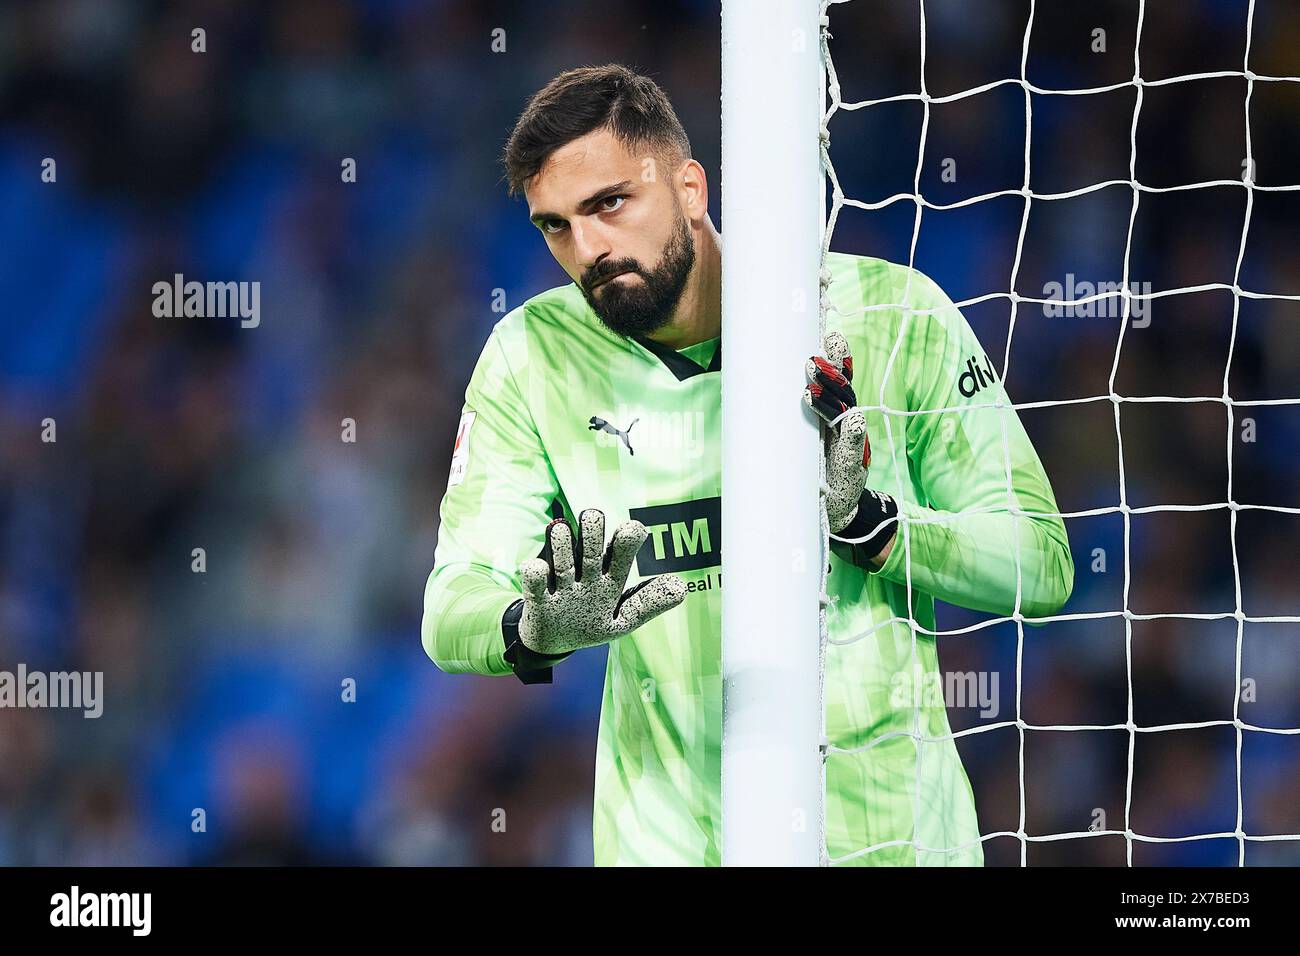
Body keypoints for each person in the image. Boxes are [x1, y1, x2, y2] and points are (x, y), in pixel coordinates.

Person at [421, 63, 1074, 866]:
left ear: (691, 189)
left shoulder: (892, 316)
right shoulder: (530, 356)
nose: (587, 247)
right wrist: (535, 627)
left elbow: (1040, 565)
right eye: (555, 225)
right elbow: (451, 600)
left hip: (891, 842)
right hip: (666, 844)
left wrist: (875, 527)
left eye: (609, 204)